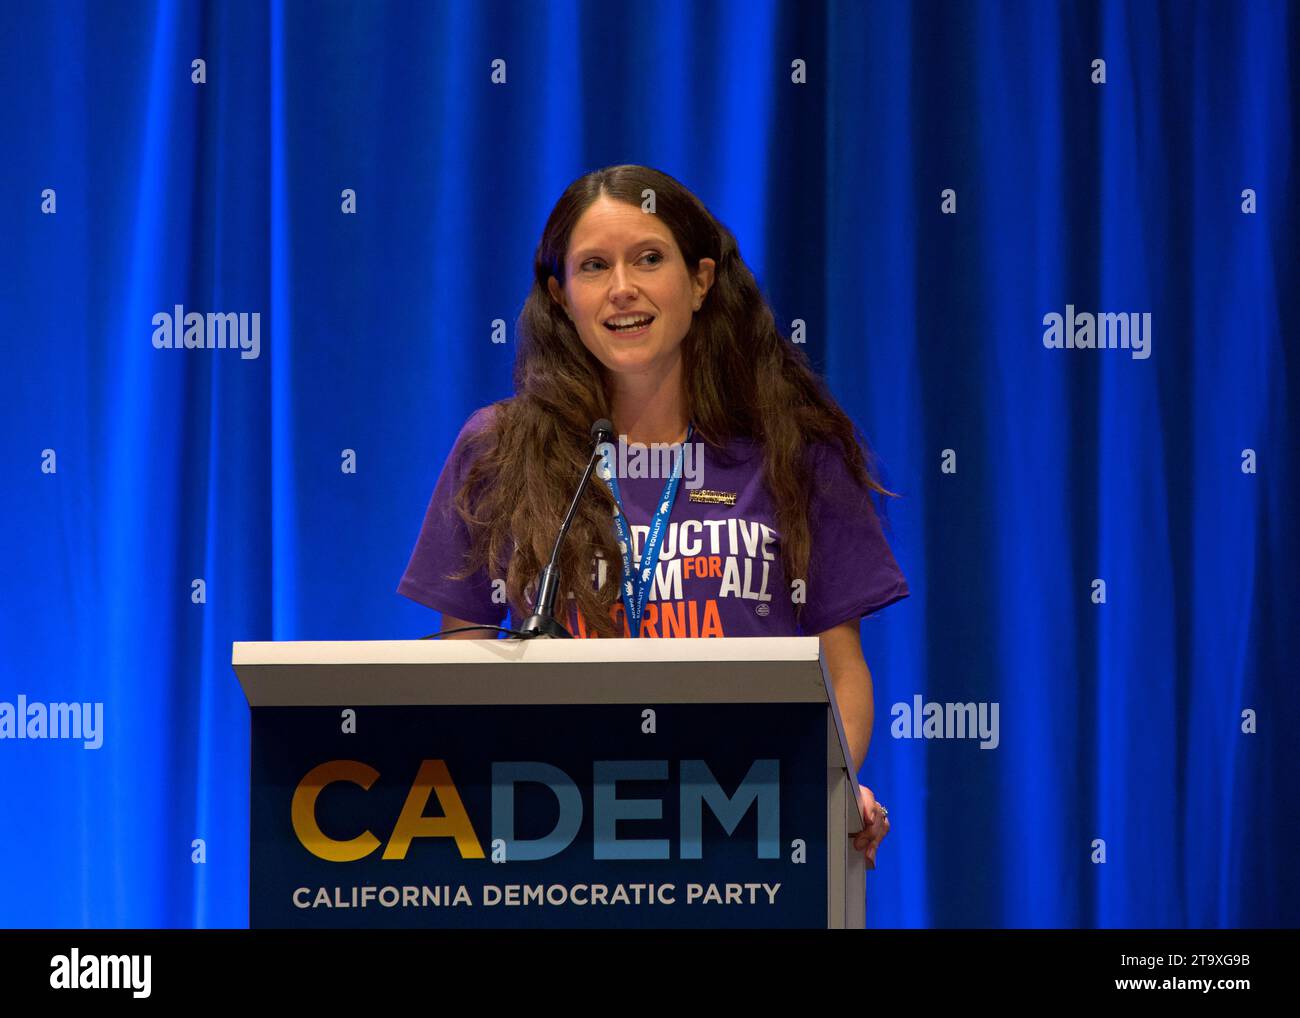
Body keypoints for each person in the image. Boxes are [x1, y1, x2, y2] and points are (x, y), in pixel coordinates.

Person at [398, 164, 908, 870]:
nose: (622, 289)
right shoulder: (499, 448)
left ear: (700, 281)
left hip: (744, 827)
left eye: (648, 258)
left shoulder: (792, 449)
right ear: (561, 295)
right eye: (593, 267)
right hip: (558, 831)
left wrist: (829, 791)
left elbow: (840, 667)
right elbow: (465, 653)